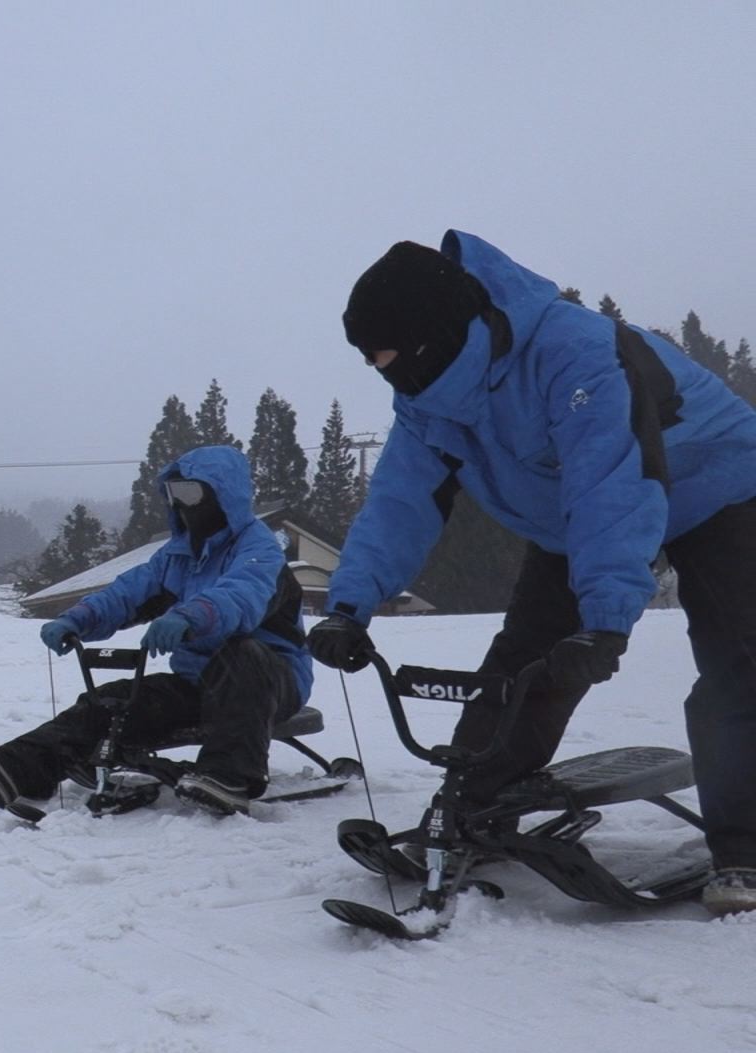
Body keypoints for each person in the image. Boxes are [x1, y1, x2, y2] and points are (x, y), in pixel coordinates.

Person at [304, 231, 756, 917]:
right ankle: (473, 810)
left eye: (392, 358)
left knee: (738, 663)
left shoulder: (574, 353)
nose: (387, 374)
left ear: (435, 336)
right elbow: (401, 501)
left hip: (716, 486)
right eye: (374, 364)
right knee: (525, 663)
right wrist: (350, 604)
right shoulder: (425, 396)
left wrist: (605, 622)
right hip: (574, 516)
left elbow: (614, 480)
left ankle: (744, 847)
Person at [0, 446, 314, 816]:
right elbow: (127, 593)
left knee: (242, 653)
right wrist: (76, 619)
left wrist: (191, 616)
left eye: (191, 493)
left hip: (270, 679)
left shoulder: (260, 550)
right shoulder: (178, 556)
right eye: (174, 495)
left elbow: (241, 595)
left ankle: (230, 778)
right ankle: (18, 770)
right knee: (113, 702)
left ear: (224, 495)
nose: (183, 505)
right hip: (199, 683)